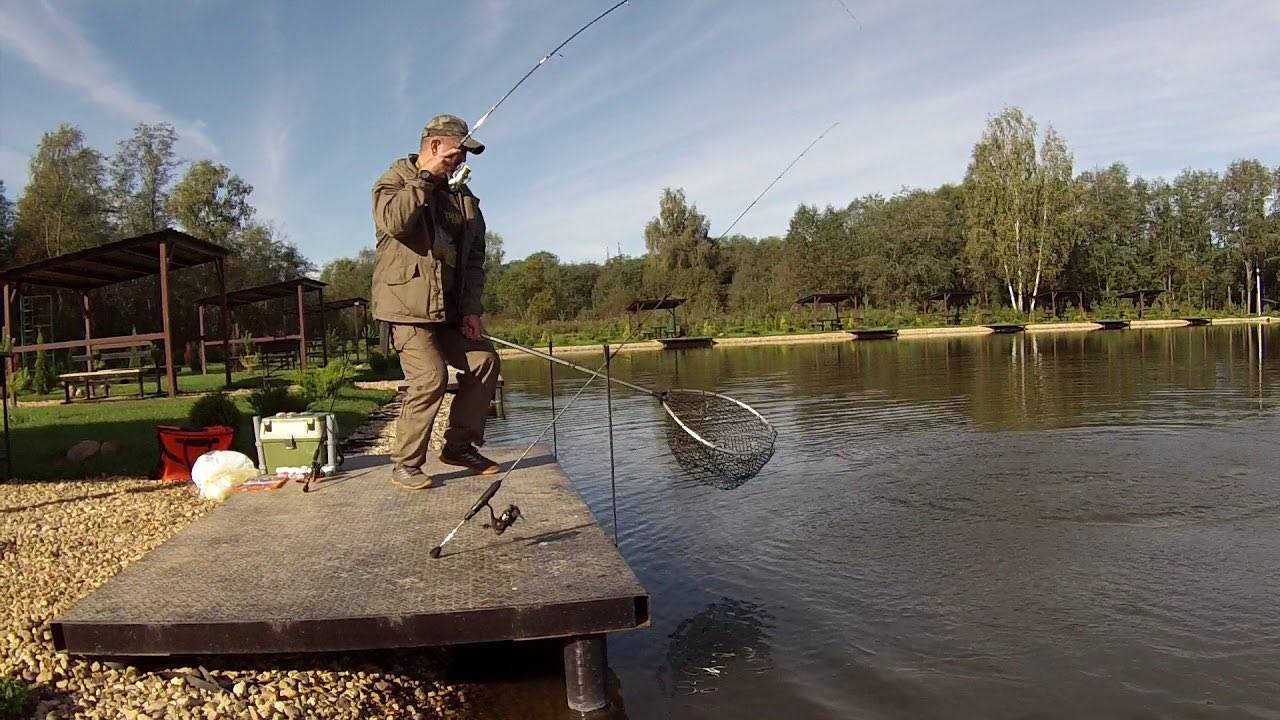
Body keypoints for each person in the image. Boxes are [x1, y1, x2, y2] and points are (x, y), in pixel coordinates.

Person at [371, 114, 501, 488]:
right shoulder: (395, 180)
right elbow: (395, 222)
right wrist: (425, 178)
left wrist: (472, 309)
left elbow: (474, 259)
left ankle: (459, 447)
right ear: (434, 145)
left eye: (464, 157)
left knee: (484, 362)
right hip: (407, 309)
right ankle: (406, 464)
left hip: (450, 310)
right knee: (430, 377)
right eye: (456, 154)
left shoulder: (464, 199)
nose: (461, 162)